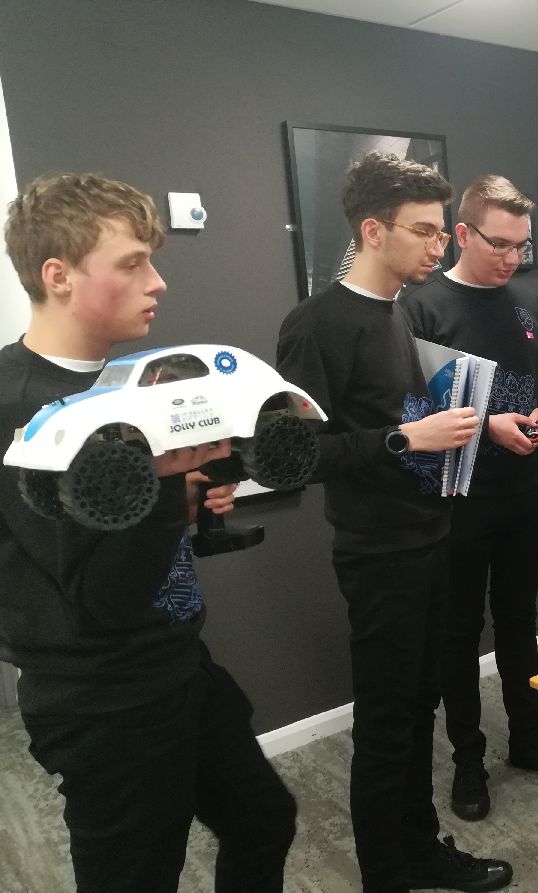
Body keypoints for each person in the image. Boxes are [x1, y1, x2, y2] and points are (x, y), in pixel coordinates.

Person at [0, 173, 296, 891]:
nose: (157, 283)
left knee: (263, 818)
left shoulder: (126, 385)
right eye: (132, 263)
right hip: (104, 703)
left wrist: (184, 500)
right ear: (58, 276)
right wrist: (166, 492)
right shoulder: (24, 409)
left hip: (176, 663)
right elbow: (103, 596)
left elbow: (124, 539)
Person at [276, 154, 512, 893]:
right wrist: (407, 439)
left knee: (418, 711)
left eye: (441, 231)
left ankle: (418, 851)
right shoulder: (317, 324)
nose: (438, 245)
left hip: (430, 537)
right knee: (386, 725)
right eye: (423, 231)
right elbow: (295, 457)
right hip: (379, 555)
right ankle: (389, 875)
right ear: (373, 231)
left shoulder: (399, 314)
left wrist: (447, 428)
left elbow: (396, 419)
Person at [401, 174, 538, 823]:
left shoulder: (527, 301)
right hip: (459, 500)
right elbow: (411, 411)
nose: (511, 257)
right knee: (458, 633)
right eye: (499, 243)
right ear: (462, 233)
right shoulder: (422, 308)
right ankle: (468, 759)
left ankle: (527, 738)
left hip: (525, 495)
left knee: (519, 619)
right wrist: (487, 426)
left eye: (521, 245)